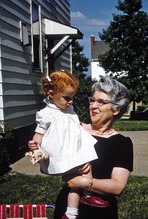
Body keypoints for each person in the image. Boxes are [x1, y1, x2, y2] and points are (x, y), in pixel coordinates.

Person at [29, 76, 133, 219]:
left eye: (101, 102)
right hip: (67, 207)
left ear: (116, 110)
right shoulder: (74, 129)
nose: (93, 105)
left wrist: (84, 182)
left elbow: (118, 186)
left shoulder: (122, 143)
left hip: (101, 212)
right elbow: (49, 166)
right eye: (92, 100)